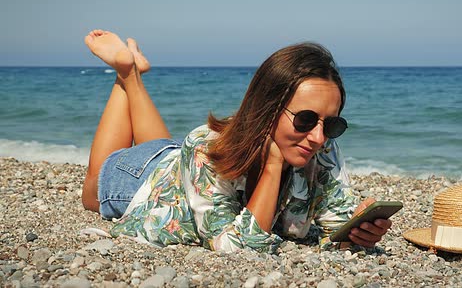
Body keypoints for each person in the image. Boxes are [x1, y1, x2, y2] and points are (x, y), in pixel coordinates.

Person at [82, 29, 392, 253]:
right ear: (268, 109)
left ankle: (132, 72)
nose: (318, 137)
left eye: (332, 123)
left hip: (183, 165)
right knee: (91, 195)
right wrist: (272, 165)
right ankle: (125, 72)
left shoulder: (322, 145)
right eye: (305, 120)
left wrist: (357, 232)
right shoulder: (204, 147)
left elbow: (334, 225)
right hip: (143, 177)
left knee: (174, 152)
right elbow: (233, 245)